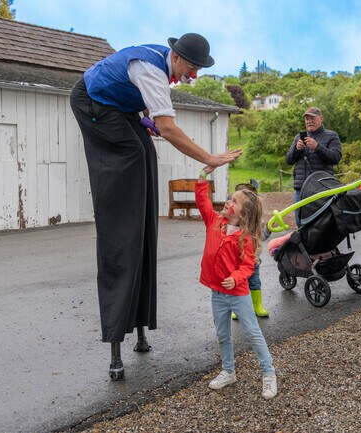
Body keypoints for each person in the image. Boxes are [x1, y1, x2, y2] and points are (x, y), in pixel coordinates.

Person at [69, 33, 241, 380]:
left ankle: (141, 324)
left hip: (118, 108)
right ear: (175, 57)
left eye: (196, 71)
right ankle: (118, 333)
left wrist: (145, 121)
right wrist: (208, 157)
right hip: (91, 104)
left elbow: (151, 113)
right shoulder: (149, 68)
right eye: (190, 68)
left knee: (145, 152)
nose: (191, 76)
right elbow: (167, 126)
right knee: (134, 154)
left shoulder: (160, 70)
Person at [196, 166, 277, 399]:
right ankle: (228, 371)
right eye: (230, 198)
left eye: (234, 201)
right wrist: (203, 175)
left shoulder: (246, 238)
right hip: (217, 294)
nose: (228, 202)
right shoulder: (214, 221)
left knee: (253, 333)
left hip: (238, 295)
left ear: (242, 215)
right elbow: (202, 201)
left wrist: (236, 277)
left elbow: (248, 266)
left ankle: (269, 374)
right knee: (222, 335)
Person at [286, 107, 342, 226]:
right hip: (301, 189)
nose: (308, 121)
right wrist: (297, 149)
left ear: (320, 119)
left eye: (312, 118)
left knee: (320, 225)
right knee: (300, 224)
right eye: (306, 118)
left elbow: (336, 157)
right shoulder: (298, 137)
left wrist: (317, 147)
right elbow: (289, 160)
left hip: (321, 189)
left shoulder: (332, 135)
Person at [231, 179, 269, 318]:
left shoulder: (258, 221)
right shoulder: (234, 221)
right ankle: (237, 309)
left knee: (254, 283)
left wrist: (268, 230)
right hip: (236, 262)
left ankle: (257, 305)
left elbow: (261, 238)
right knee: (239, 284)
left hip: (253, 260)